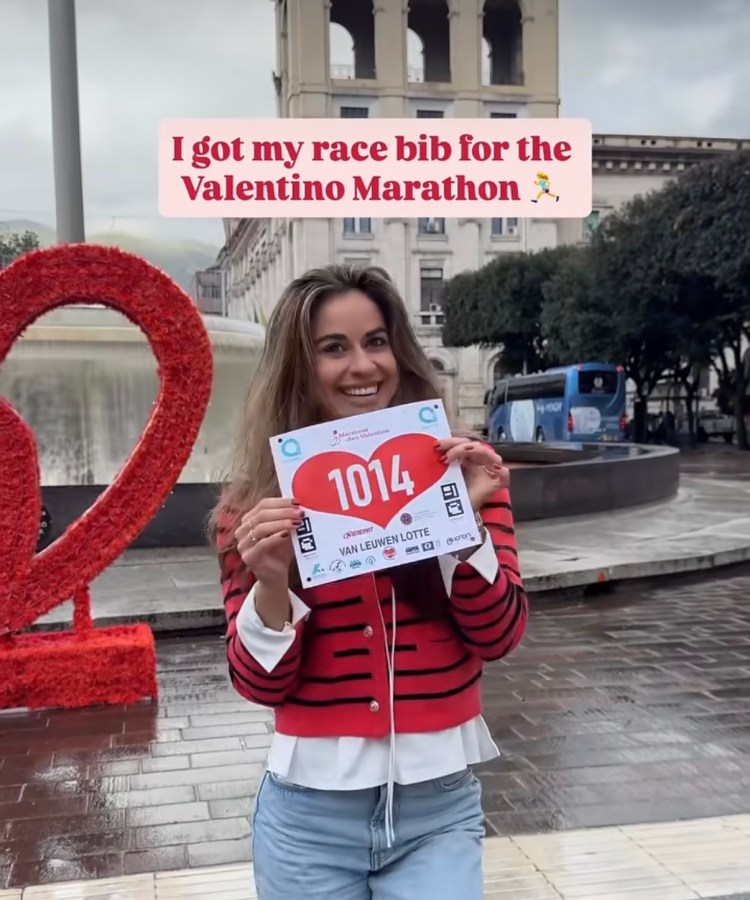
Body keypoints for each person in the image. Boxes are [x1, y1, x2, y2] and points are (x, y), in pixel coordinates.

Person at [209, 264, 529, 900]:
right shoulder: (251, 513)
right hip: (308, 820)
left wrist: (461, 529)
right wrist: (271, 585)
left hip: (438, 811)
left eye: (376, 341)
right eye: (334, 348)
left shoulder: (467, 479)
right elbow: (259, 684)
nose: (362, 365)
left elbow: (500, 635)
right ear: (298, 367)